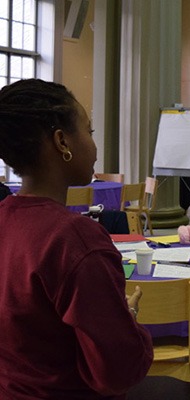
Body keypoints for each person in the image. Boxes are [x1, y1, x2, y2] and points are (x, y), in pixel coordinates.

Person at [0, 79, 153, 399]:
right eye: (90, 131)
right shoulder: (74, 240)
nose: (95, 145)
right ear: (62, 142)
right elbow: (116, 370)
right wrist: (126, 320)